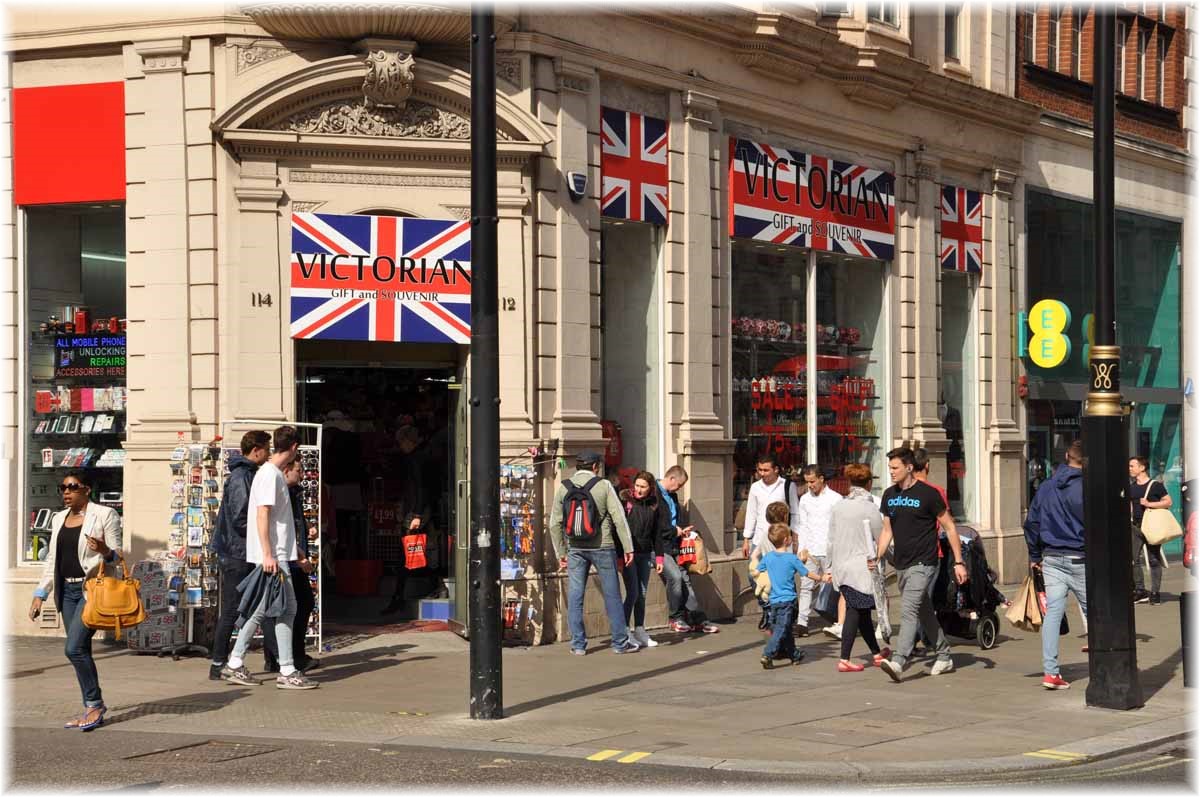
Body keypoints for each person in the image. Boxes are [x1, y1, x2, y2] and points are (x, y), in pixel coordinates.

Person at [221, 425, 318, 689]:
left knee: (264, 610)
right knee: (287, 609)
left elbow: (277, 522)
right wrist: (268, 554)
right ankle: (285, 669)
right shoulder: (270, 475)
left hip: (276, 555)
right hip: (272, 557)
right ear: (295, 447)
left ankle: (236, 662)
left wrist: (293, 553)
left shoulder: (269, 473)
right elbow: (263, 515)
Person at [29, 470, 123, 730]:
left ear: (87, 489)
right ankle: (91, 706)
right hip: (66, 592)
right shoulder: (59, 519)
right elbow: (52, 561)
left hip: (90, 591)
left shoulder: (104, 515)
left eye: (72, 487)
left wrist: (104, 550)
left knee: (73, 649)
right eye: (63, 488)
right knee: (80, 649)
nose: (66, 492)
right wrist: (40, 594)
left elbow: (118, 557)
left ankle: (94, 704)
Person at [876, 446, 968, 683]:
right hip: (902, 563)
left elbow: (949, 526)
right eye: (890, 468)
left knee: (908, 610)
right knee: (924, 610)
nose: (891, 472)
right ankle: (944, 654)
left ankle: (898, 660)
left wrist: (959, 562)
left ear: (909, 467)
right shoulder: (889, 495)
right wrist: (876, 556)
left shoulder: (928, 494)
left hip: (925, 562)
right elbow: (887, 531)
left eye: (895, 468)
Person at [549, 451, 640, 654]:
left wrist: (561, 552)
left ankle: (578, 645)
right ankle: (619, 643)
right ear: (595, 467)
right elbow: (619, 519)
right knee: (612, 595)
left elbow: (554, 523)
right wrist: (628, 548)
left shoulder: (564, 488)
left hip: (575, 548)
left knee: (575, 595)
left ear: (577, 466)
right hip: (603, 546)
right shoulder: (604, 485)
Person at [208, 430, 275, 681]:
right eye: (266, 448)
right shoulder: (241, 477)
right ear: (256, 449)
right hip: (237, 552)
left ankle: (270, 658)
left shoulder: (248, 474)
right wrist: (262, 532)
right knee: (233, 609)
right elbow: (240, 516)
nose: (268, 454)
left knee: (253, 606)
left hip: (240, 550)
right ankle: (218, 663)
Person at [1024, 440, 1087, 690]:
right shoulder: (1087, 487)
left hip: (1051, 557)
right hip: (1080, 557)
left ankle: (1050, 672)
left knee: (1053, 614)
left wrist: (1035, 555)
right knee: (1095, 611)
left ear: (1067, 457)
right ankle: (1106, 660)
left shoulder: (1047, 486)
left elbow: (1032, 522)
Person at [828, 464, 887, 672]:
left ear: (850, 483)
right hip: (861, 568)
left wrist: (829, 567)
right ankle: (844, 658)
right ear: (869, 483)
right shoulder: (870, 508)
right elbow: (882, 539)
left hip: (841, 566)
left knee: (862, 613)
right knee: (855, 610)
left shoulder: (838, 506)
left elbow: (831, 540)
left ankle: (876, 653)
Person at [270, 457, 319, 673]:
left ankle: (280, 656)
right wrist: (299, 558)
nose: (302, 474)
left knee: (292, 606)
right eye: (298, 470)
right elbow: (280, 527)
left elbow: (292, 521)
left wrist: (307, 525)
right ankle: (291, 656)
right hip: (287, 559)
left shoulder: (294, 492)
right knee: (297, 605)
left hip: (292, 556)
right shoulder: (282, 491)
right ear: (287, 470)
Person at [657, 466, 720, 635]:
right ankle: (675, 617)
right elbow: (657, 524)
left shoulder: (672, 496)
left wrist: (682, 532)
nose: (679, 488)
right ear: (671, 478)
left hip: (674, 543)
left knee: (685, 579)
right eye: (679, 484)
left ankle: (697, 618)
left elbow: (674, 520)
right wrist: (674, 531)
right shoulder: (654, 494)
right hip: (658, 546)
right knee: (676, 577)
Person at [756, 523, 824, 668]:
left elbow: (759, 570)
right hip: (788, 601)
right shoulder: (791, 559)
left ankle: (794, 655)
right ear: (787, 540)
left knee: (785, 629)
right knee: (782, 628)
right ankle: (768, 653)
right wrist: (822, 578)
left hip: (774, 600)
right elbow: (806, 573)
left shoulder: (768, 557)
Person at [382, 424, 433, 615]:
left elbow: (420, 488)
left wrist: (417, 514)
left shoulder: (415, 459)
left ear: (407, 441)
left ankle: (400, 595)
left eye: (401, 442)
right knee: (411, 551)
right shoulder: (420, 457)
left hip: (414, 511)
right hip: (415, 509)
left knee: (407, 552)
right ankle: (400, 594)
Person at [618, 470, 669, 648]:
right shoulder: (625, 501)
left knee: (642, 593)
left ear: (650, 488)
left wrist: (660, 558)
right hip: (628, 553)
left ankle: (639, 628)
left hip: (645, 553)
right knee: (633, 593)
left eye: (643, 487)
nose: (639, 490)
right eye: (637, 486)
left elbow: (657, 533)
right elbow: (619, 530)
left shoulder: (654, 504)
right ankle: (624, 630)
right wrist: (620, 555)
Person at [794, 464, 843, 639]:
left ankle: (841, 620)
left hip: (830, 550)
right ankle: (802, 623)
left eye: (813, 481)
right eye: (807, 482)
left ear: (821, 479)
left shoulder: (836, 499)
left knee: (836, 586)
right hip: (811, 550)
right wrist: (802, 548)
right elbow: (803, 525)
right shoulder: (805, 499)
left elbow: (840, 526)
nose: (810, 485)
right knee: (806, 587)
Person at [1129, 456, 1172, 605]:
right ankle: (1140, 591)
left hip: (1152, 526)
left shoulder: (1155, 486)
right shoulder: (1131, 487)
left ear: (1142, 468)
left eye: (1132, 466)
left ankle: (1155, 593)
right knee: (1133, 559)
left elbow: (1168, 501)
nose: (1130, 469)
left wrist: (1149, 504)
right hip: (1136, 526)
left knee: (1154, 559)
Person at [740, 455, 798, 559]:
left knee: (780, 574)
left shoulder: (788, 486)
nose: (762, 473)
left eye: (766, 470)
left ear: (776, 469)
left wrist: (795, 539)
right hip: (759, 540)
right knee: (754, 573)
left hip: (781, 542)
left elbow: (795, 514)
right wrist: (746, 540)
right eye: (760, 470)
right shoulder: (755, 487)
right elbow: (751, 513)